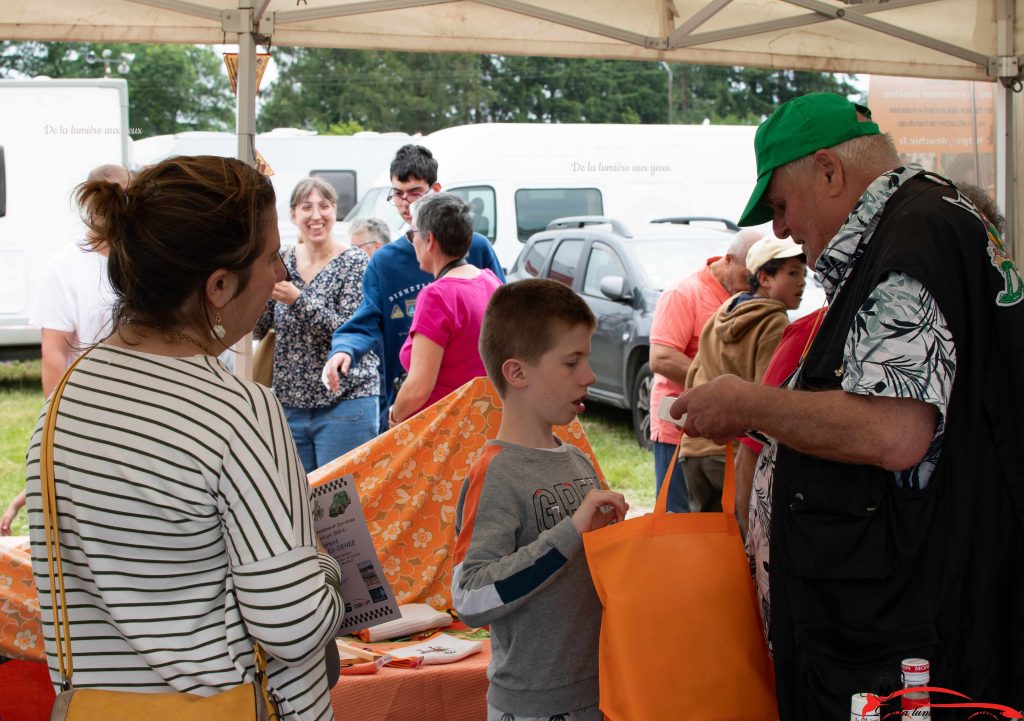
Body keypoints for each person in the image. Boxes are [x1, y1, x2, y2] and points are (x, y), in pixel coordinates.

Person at [672, 93, 1024, 717]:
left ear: (830, 172)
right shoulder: (933, 221)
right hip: (919, 610)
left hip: (910, 631)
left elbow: (893, 432)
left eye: (781, 205)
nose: (779, 230)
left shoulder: (910, 242)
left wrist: (747, 402)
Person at [24, 156, 344, 720]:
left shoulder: (60, 406)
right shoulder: (238, 412)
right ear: (218, 287)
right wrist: (324, 564)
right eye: (270, 258)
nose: (277, 277)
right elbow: (292, 624)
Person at [453, 278, 628, 721]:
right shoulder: (496, 472)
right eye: (572, 362)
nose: (589, 376)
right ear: (517, 373)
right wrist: (570, 533)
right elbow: (470, 597)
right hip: (533, 708)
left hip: (602, 692)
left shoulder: (577, 462)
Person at [322, 144, 506, 432]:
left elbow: (506, 319)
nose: (405, 202)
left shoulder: (476, 251)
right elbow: (366, 320)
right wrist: (344, 349)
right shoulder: (384, 261)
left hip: (450, 416)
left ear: (436, 189)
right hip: (422, 412)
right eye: (397, 193)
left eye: (415, 192)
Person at [1, 163, 130, 537]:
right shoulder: (65, 266)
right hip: (88, 417)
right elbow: (53, 354)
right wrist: (59, 432)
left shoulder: (143, 258)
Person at [254, 177, 379, 473]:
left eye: (324, 206)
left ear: (335, 211)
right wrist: (253, 292)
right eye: (306, 207)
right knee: (296, 501)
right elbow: (259, 329)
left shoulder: (355, 262)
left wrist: (298, 300)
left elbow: (351, 329)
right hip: (290, 405)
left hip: (346, 401)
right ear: (294, 214)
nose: (316, 215)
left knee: (342, 509)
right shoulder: (280, 261)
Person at [678, 234, 805, 512]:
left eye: (804, 274)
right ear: (764, 278)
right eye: (792, 273)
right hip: (732, 452)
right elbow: (768, 397)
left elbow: (693, 378)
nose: (802, 282)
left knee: (706, 544)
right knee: (739, 546)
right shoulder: (774, 322)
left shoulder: (721, 313)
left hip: (694, 450)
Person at [648, 229, 758, 513]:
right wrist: (712, 382)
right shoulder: (684, 294)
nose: (753, 283)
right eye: (749, 275)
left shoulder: (745, 298)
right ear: (729, 260)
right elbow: (660, 358)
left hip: (720, 439)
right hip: (679, 433)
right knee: (680, 527)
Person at [388, 193, 501, 426]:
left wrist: (394, 416)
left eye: (412, 235)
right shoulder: (490, 282)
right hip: (483, 422)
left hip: (445, 431)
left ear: (429, 240)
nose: (412, 243)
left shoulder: (437, 296)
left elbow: (418, 387)